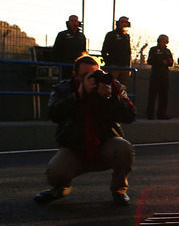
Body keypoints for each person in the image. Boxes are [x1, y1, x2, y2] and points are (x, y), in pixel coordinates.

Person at [34, 55, 136, 206]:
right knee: (56, 172)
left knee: (123, 148)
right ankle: (60, 187)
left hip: (104, 144)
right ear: (75, 75)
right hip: (75, 148)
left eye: (95, 74)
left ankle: (119, 190)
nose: (92, 79)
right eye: (85, 76)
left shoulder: (112, 86)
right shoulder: (64, 88)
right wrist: (78, 95)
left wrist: (111, 98)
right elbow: (53, 113)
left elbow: (130, 116)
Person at [146, 34, 173, 120]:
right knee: (152, 96)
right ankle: (150, 114)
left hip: (164, 76)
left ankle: (162, 114)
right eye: (163, 40)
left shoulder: (168, 51)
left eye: (166, 41)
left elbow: (171, 62)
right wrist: (161, 61)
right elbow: (150, 60)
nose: (164, 42)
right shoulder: (153, 49)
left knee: (164, 96)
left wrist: (167, 62)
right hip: (155, 75)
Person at [101, 16, 133, 87]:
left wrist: (129, 66)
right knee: (112, 86)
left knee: (122, 88)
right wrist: (108, 63)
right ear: (118, 23)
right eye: (122, 22)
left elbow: (128, 51)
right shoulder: (111, 34)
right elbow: (104, 50)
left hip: (125, 67)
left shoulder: (127, 36)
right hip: (114, 66)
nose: (124, 24)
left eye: (126, 22)